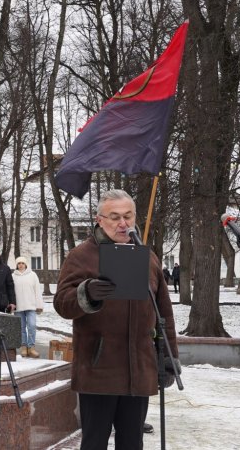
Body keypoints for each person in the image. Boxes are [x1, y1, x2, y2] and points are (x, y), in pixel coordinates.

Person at [54, 189, 178, 450]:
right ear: (99, 220)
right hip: (99, 370)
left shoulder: (147, 257)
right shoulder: (81, 256)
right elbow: (62, 304)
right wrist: (86, 293)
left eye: (128, 216)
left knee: (132, 442)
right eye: (115, 217)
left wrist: (168, 358)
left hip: (139, 369)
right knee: (94, 443)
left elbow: (163, 312)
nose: (123, 223)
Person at [12, 257, 44, 358]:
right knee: (21, 328)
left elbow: (37, 291)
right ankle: (24, 347)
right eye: (19, 263)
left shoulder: (32, 275)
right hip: (18, 307)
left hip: (31, 306)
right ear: (16, 265)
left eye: (22, 263)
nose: (21, 265)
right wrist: (11, 304)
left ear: (26, 264)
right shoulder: (13, 276)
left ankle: (31, 347)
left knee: (32, 325)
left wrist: (39, 305)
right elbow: (11, 292)